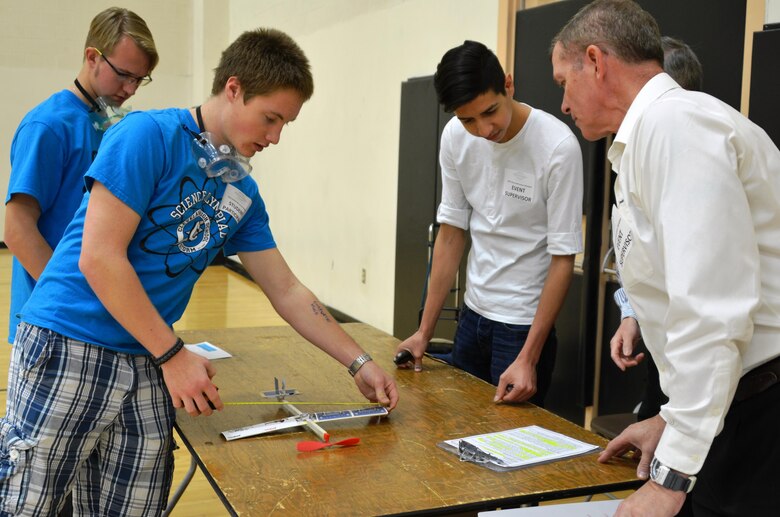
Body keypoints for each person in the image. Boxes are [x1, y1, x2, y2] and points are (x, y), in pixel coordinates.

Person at [0, 28, 398, 516]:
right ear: (233, 89)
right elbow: (99, 257)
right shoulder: (147, 136)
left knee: (135, 505)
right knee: (30, 503)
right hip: (71, 343)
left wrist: (360, 363)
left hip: (146, 356)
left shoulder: (242, 195)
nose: (274, 137)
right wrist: (172, 355)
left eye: (285, 125)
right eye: (269, 118)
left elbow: (288, 289)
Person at [551, 1, 780, 515]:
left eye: (564, 81)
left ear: (595, 61)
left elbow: (711, 313)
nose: (564, 103)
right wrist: (670, 421)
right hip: (730, 406)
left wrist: (671, 478)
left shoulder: (677, 127)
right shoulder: (646, 139)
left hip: (763, 413)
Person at [395, 40, 583, 407]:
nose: (483, 129)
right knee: (458, 432)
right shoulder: (454, 137)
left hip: (523, 327)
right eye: (468, 120)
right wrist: (424, 332)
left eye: (490, 111)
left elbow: (563, 258)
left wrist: (528, 357)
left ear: (508, 86)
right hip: (472, 317)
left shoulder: (557, 146)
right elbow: (450, 234)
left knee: (510, 448)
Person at [4, 7, 159, 345]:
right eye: (123, 74)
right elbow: (16, 230)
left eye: (139, 79)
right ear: (92, 56)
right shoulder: (48, 125)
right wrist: (66, 298)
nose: (131, 89)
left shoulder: (109, 125)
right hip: (54, 321)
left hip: (95, 315)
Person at [609, 35, 704, 422]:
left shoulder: (695, 159)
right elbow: (641, 252)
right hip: (661, 353)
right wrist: (630, 314)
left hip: (698, 359)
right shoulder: (632, 152)